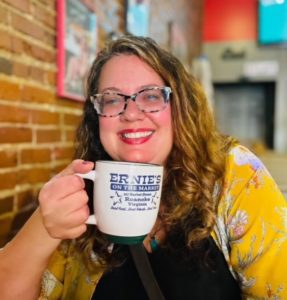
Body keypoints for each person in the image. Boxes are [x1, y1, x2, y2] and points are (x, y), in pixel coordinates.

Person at [0, 35, 286, 300]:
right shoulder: (81, 194)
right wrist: (45, 225)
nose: (131, 114)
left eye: (150, 96)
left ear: (179, 106)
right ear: (96, 116)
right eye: (112, 100)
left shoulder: (233, 175)